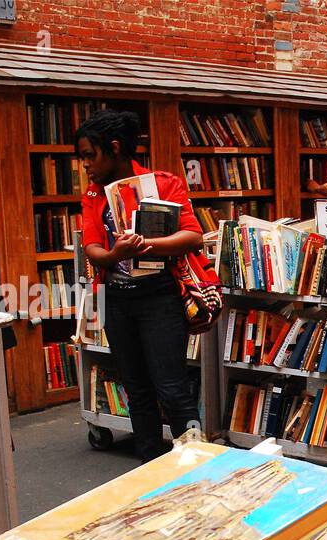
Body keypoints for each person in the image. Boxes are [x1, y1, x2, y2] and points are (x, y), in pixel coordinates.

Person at [77, 109, 204, 462]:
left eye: (90, 155)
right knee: (137, 390)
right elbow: (92, 249)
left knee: (172, 389)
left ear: (114, 148)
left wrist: (145, 245)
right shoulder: (93, 196)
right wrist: (116, 252)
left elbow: (192, 236)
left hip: (159, 297)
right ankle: (147, 467)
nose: (85, 165)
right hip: (117, 300)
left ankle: (195, 468)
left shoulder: (164, 183)